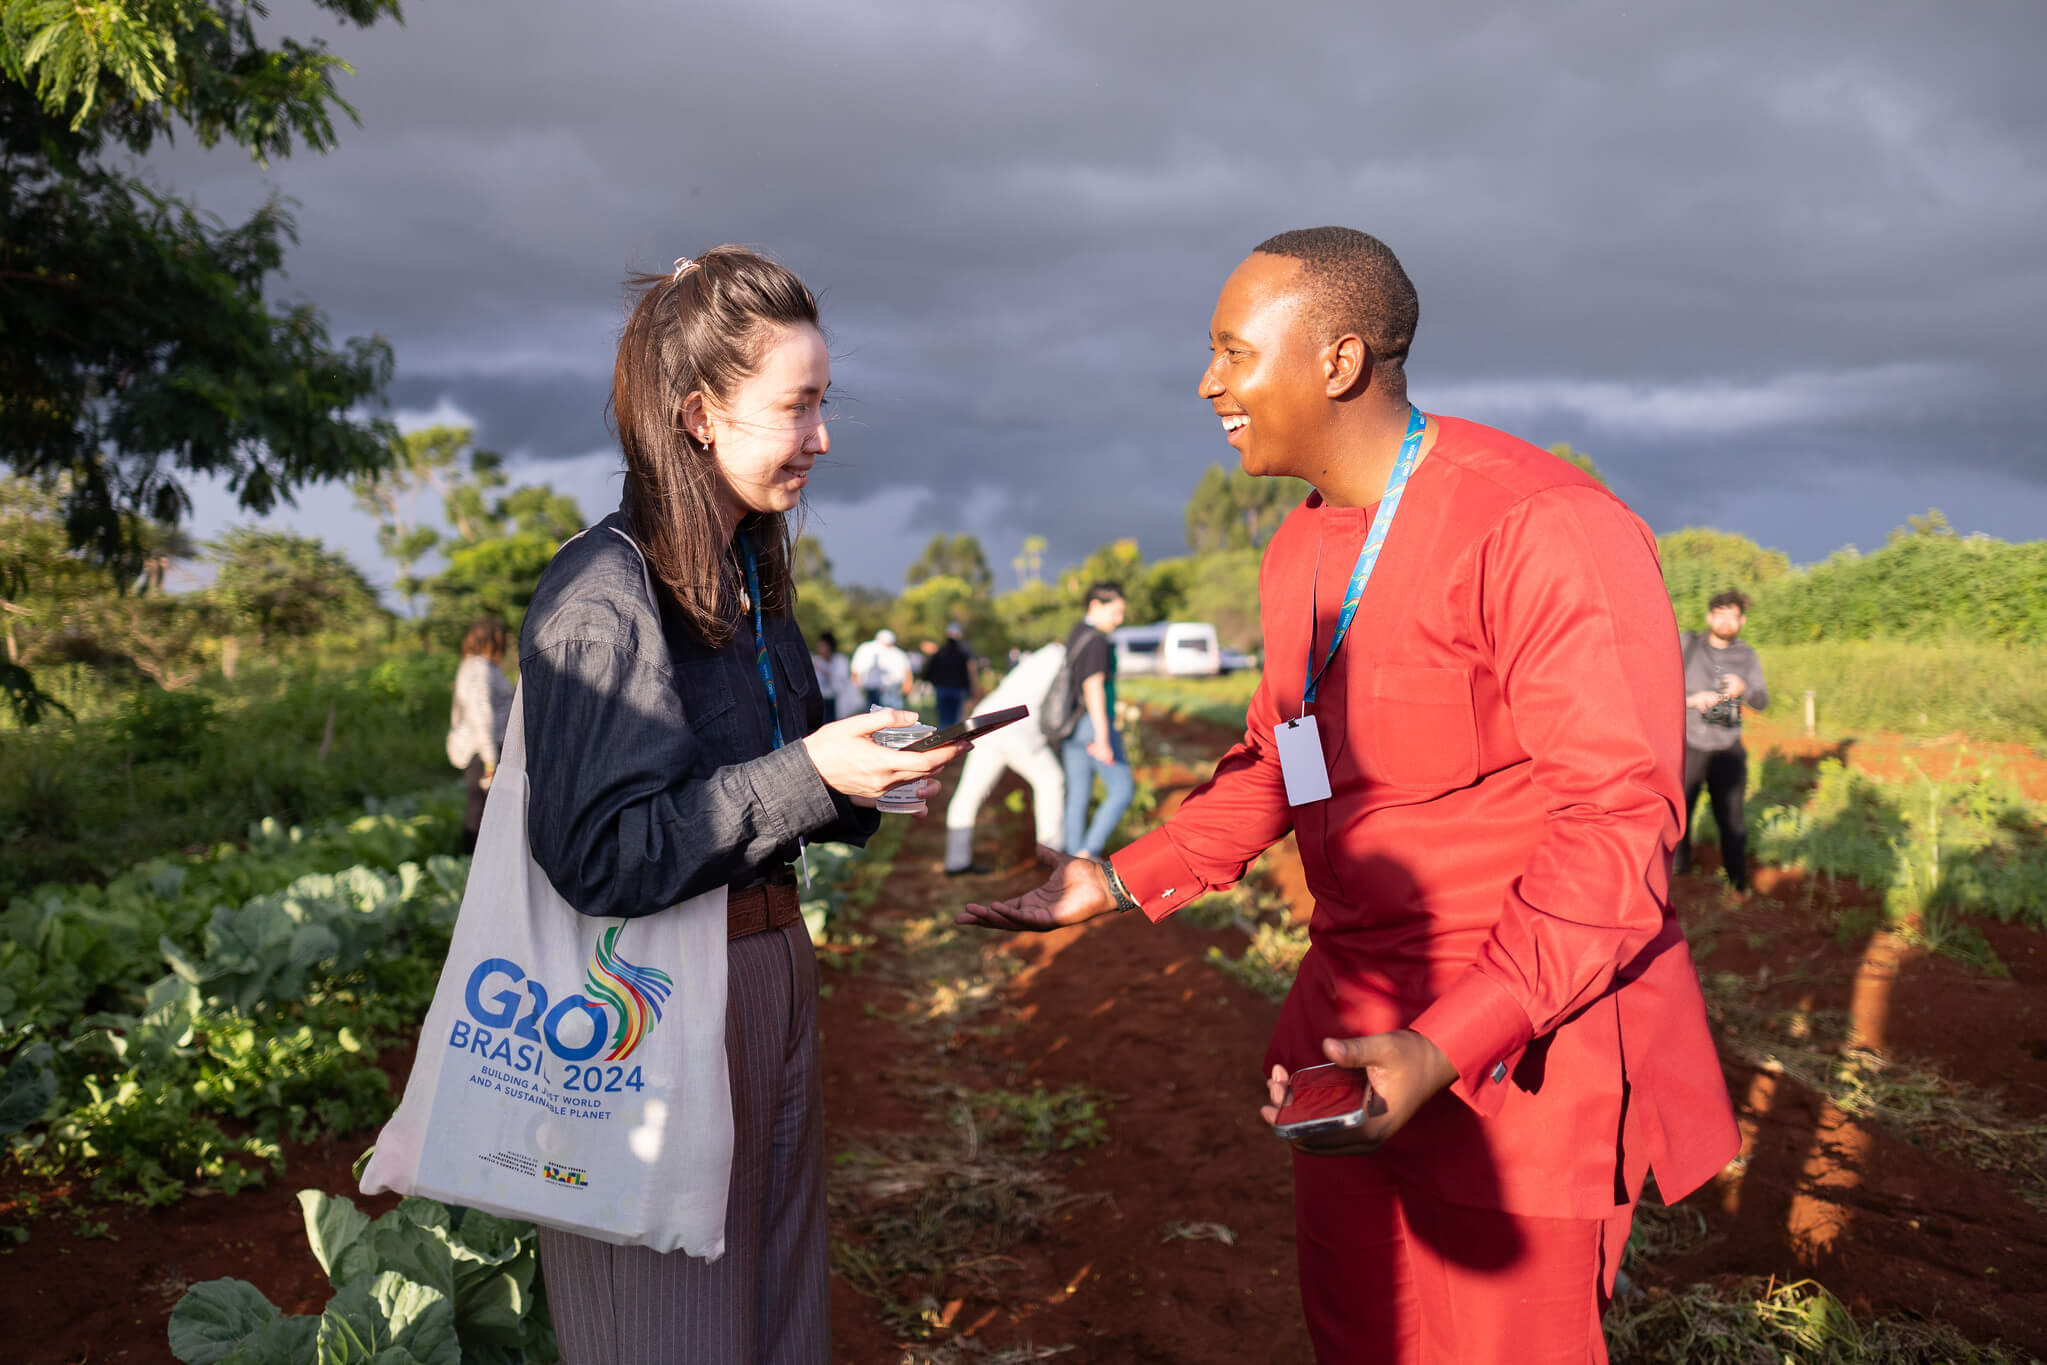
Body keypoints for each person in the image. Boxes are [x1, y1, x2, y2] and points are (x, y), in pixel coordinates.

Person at [959, 228, 1737, 1365]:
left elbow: (1613, 828)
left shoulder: (1542, 525)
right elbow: (1282, 760)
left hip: (1518, 1056)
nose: (1207, 384)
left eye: (1233, 353)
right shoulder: (1300, 552)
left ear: (1337, 359)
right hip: (1350, 1047)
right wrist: (1118, 877)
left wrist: (1445, 1045)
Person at [516, 246, 966, 1364]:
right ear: (699, 414)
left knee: (771, 1315)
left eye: (824, 403)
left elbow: (767, 779)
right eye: (797, 407)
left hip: (764, 970)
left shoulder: (747, 569)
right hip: (652, 1000)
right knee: (669, 1330)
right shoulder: (606, 594)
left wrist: (861, 777)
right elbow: (598, 853)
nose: (821, 437)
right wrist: (810, 775)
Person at [943, 640, 1068, 876]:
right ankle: (1052, 854)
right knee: (1051, 780)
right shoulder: (1064, 658)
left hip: (987, 720)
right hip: (1016, 728)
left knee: (969, 793)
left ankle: (955, 862)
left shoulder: (1039, 658)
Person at [1676, 589, 1769, 893]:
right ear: (1709, 617)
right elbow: (1659, 687)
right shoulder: (1686, 645)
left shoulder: (1747, 655)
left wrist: (1743, 688)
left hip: (1728, 749)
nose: (1727, 621)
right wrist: (1692, 700)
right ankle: (1679, 877)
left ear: (1742, 621)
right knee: (1679, 816)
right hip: (1689, 745)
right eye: (1721, 613)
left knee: (1732, 820)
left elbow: (1762, 700)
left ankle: (1737, 882)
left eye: (1734, 615)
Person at [1058, 582, 1136, 860]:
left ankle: (1070, 860)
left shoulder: (1077, 633)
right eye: (1115, 612)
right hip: (1093, 725)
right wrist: (1103, 738)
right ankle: (1089, 851)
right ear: (1095, 605)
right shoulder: (1097, 640)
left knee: (1078, 794)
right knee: (1122, 790)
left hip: (1072, 725)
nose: (1120, 619)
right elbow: (1093, 688)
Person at [446, 614, 514, 856]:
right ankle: (469, 864)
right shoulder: (478, 668)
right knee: (479, 810)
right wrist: (490, 759)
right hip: (481, 750)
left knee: (484, 808)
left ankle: (478, 862)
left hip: (486, 748)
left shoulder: (483, 667)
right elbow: (480, 714)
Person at [925, 621, 979, 730]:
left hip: (943, 689)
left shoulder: (941, 650)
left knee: (944, 722)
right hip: (957, 689)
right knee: (956, 723)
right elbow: (971, 669)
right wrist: (973, 687)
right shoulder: (965, 650)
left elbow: (929, 671)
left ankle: (945, 743)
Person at [850, 627, 913, 710]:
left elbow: (907, 670)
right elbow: (856, 669)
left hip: (890, 688)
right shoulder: (866, 649)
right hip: (874, 688)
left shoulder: (866, 648)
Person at [811, 630, 852, 723]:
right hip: (822, 699)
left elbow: (842, 679)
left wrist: (825, 671)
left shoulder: (840, 660)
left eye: (822, 646)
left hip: (837, 699)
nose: (819, 648)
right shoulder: (816, 660)